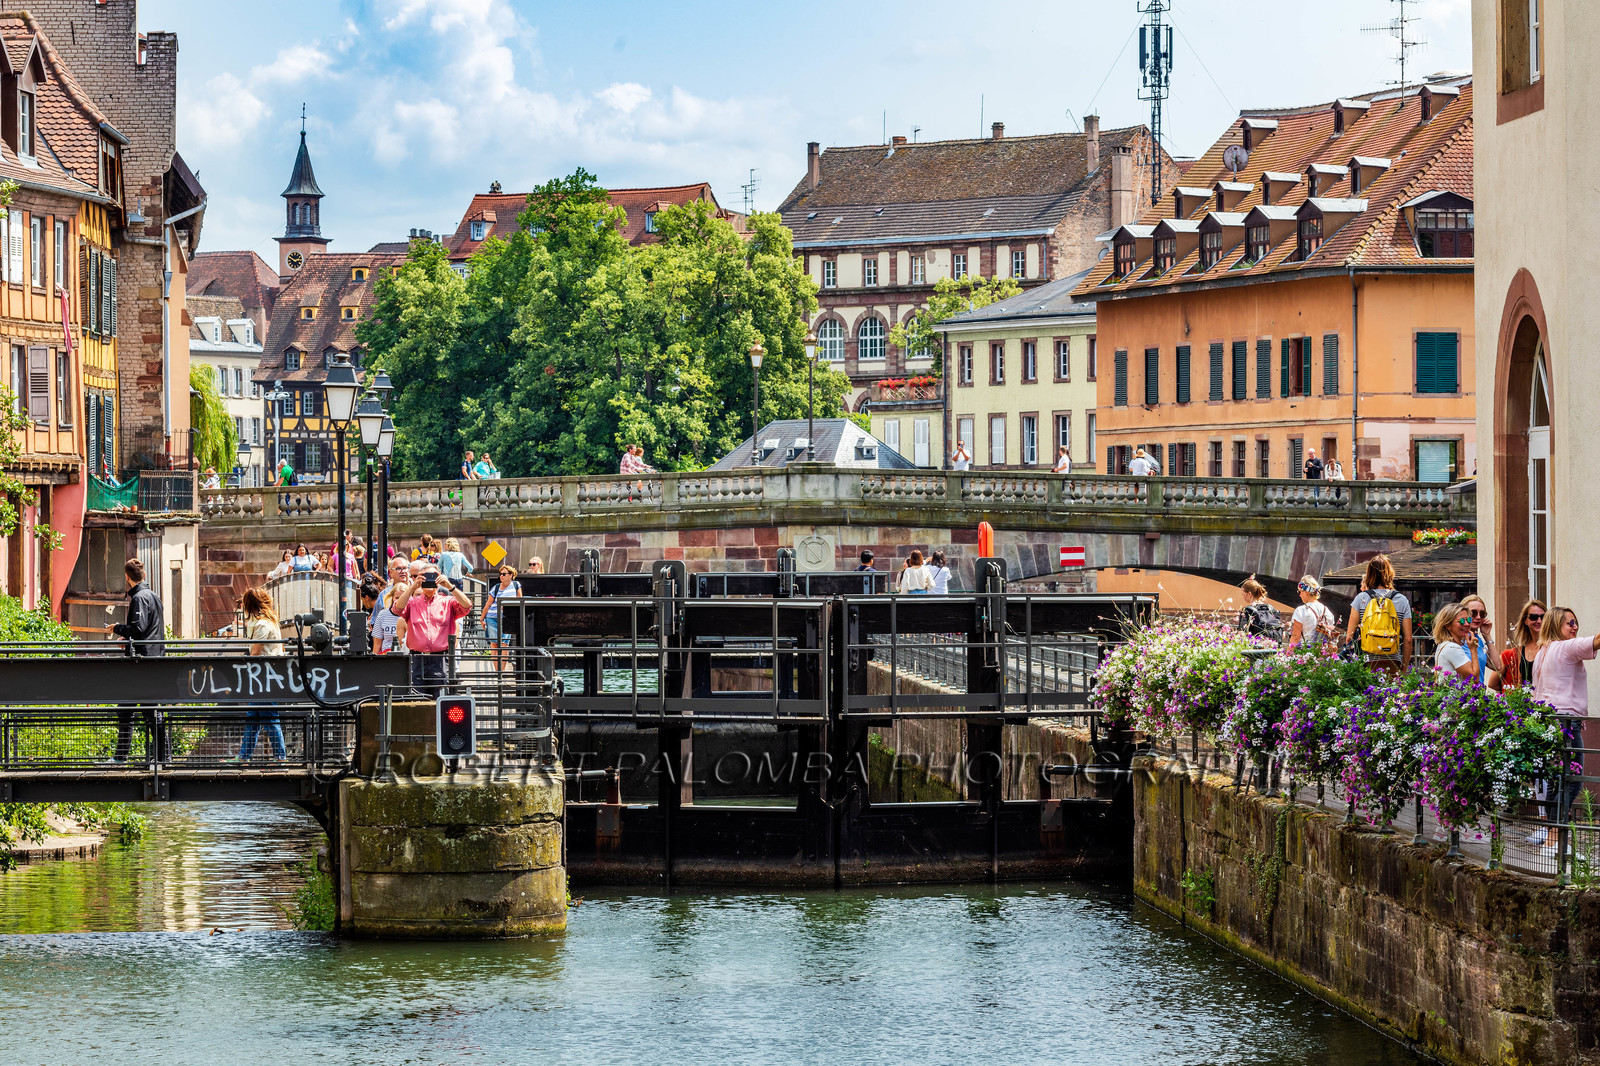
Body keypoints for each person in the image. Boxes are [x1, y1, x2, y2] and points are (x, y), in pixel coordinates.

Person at [1531, 606, 1600, 848]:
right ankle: (1554, 839)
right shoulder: (1565, 647)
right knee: (1572, 781)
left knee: (1557, 781)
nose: (1575, 626)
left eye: (1576, 622)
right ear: (1555, 625)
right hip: (1566, 722)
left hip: (1548, 722)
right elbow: (1597, 640)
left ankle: (1551, 839)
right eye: (1569, 623)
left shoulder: (1542, 652)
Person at [107, 559, 165, 763]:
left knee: (131, 710)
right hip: (154, 660)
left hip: (140, 663)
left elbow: (139, 629)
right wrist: (127, 637)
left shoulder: (139, 598)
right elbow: (148, 629)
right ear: (144, 575)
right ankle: (162, 757)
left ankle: (123, 757)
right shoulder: (154, 596)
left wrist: (117, 628)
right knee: (148, 710)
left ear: (127, 577)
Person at [391, 561, 471, 698]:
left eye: (434, 576)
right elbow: (397, 608)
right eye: (425, 576)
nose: (429, 580)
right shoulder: (412, 602)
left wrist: (450, 586)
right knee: (416, 699)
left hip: (440, 659)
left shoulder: (447, 601)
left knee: (441, 698)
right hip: (416, 659)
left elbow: (467, 606)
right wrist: (413, 586)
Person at [235, 588, 287, 762]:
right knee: (254, 717)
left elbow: (256, 653)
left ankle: (280, 758)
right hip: (267, 676)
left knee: (269, 717)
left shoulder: (262, 624)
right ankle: (244, 756)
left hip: (263, 678)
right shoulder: (270, 622)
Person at [1345, 554, 1412, 673]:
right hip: (1393, 662)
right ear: (1390, 574)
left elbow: (1349, 638)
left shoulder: (1361, 599)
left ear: (1369, 574)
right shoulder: (1402, 600)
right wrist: (1404, 667)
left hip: (1366, 663)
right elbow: (1408, 639)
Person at [1433, 603, 1501, 688]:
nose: (1467, 624)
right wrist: (1473, 650)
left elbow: (1497, 666)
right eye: (1461, 621)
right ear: (1448, 625)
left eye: (1468, 620)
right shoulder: (1452, 648)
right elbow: (1474, 679)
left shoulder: (1444, 644)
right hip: (1457, 696)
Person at [1499, 599, 1547, 689]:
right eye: (1533, 617)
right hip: (1527, 697)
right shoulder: (1521, 649)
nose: (1539, 621)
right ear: (1525, 621)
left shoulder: (1551, 646)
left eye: (1543, 617)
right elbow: (1519, 682)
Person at [483, 564, 520, 672]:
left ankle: (501, 672)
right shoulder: (496, 587)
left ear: (511, 575)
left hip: (507, 618)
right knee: (494, 645)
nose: (501, 576)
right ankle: (497, 672)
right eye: (500, 574)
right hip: (492, 617)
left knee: (504, 644)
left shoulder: (516, 585)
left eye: (504, 574)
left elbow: (520, 601)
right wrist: (482, 618)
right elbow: (488, 604)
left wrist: (509, 606)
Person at [371, 557, 410, 654]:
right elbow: (377, 637)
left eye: (405, 568)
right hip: (387, 654)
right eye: (398, 568)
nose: (402, 571)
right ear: (390, 572)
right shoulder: (383, 595)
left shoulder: (418, 591)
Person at [1288, 576, 1337, 650]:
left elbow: (1296, 636)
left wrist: (1288, 653)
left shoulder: (1301, 610)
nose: (1299, 595)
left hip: (1305, 652)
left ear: (1306, 593)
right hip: (1323, 653)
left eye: (1299, 592)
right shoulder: (1326, 611)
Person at [1459, 593, 1496, 687]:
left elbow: (1497, 666)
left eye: (1482, 614)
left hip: (1478, 693)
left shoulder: (1477, 640)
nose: (1478, 617)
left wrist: (1487, 635)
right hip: (1462, 693)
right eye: (1473, 613)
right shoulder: (1457, 640)